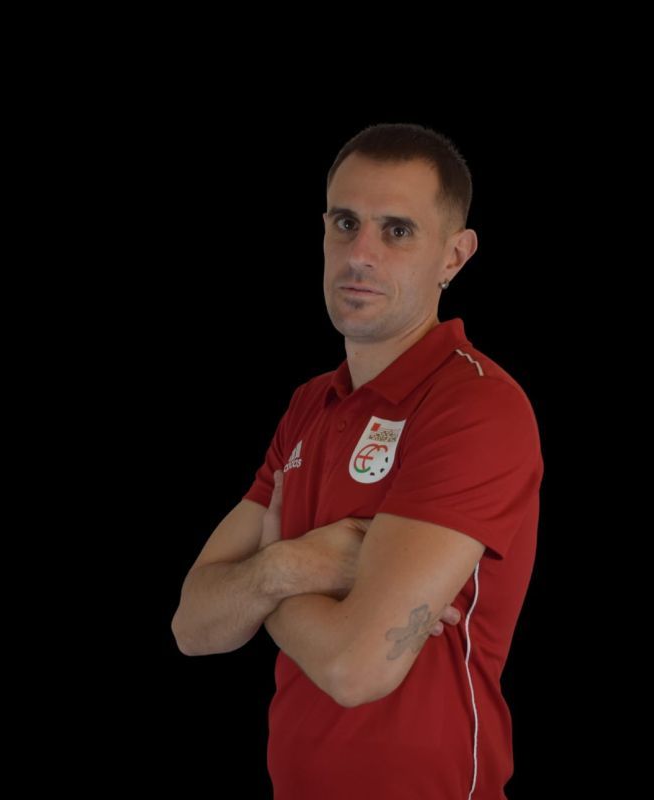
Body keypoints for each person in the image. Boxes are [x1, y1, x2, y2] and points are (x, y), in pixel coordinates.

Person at [171, 123, 543, 800]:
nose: (360, 255)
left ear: (454, 255)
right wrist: (291, 565)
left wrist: (260, 585)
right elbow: (193, 625)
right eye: (345, 223)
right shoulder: (310, 404)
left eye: (397, 230)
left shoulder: (476, 406)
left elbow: (356, 668)